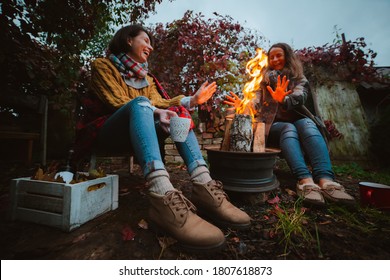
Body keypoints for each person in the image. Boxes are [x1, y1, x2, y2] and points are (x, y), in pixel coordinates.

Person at [74, 24, 251, 251]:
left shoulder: (146, 79)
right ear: (129, 40)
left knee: (178, 115)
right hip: (108, 132)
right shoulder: (103, 66)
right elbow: (116, 101)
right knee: (140, 104)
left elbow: (162, 103)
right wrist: (153, 110)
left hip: (139, 133)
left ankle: (203, 184)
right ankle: (160, 192)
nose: (150, 47)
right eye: (145, 40)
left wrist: (191, 101)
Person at [224, 42, 355, 207]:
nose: (275, 59)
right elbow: (255, 101)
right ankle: (305, 180)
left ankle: (326, 180)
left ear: (287, 56)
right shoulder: (263, 81)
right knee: (289, 127)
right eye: (271, 57)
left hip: (300, 123)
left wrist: (284, 99)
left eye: (279, 55)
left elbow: (300, 96)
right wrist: (243, 105)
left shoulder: (299, 78)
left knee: (307, 123)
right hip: (274, 127)